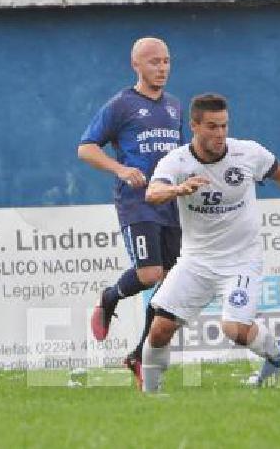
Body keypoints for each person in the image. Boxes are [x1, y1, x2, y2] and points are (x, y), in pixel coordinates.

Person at [140, 92, 280, 393]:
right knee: (159, 330)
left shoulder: (248, 153)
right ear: (194, 126)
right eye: (212, 126)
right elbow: (152, 194)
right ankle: (150, 399)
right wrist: (178, 189)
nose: (220, 134)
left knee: (234, 329)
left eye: (224, 126)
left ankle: (275, 353)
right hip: (196, 261)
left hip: (241, 261)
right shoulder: (177, 161)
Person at [77, 37, 186, 388]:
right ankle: (110, 297)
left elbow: (178, 155)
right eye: (154, 62)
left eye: (167, 61)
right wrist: (121, 170)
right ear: (136, 65)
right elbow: (86, 148)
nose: (162, 68)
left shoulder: (174, 107)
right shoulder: (121, 105)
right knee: (151, 273)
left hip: (169, 203)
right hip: (137, 203)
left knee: (170, 285)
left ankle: (138, 355)